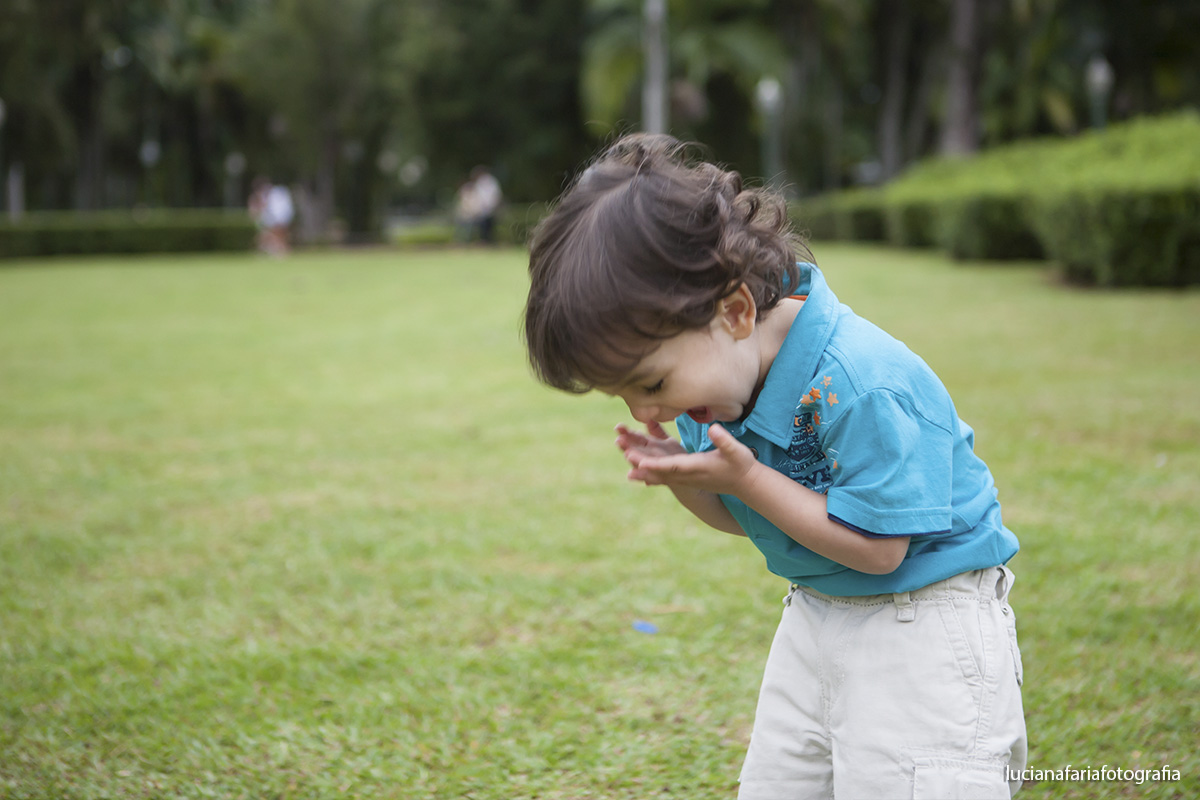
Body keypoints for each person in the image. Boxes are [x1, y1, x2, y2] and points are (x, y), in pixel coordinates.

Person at [522, 134, 1027, 799]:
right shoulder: (714, 384)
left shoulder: (861, 382)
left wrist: (743, 477)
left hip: (922, 625)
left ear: (733, 311)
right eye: (623, 395)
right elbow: (752, 517)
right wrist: (689, 476)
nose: (647, 413)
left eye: (649, 383)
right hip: (817, 616)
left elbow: (880, 550)